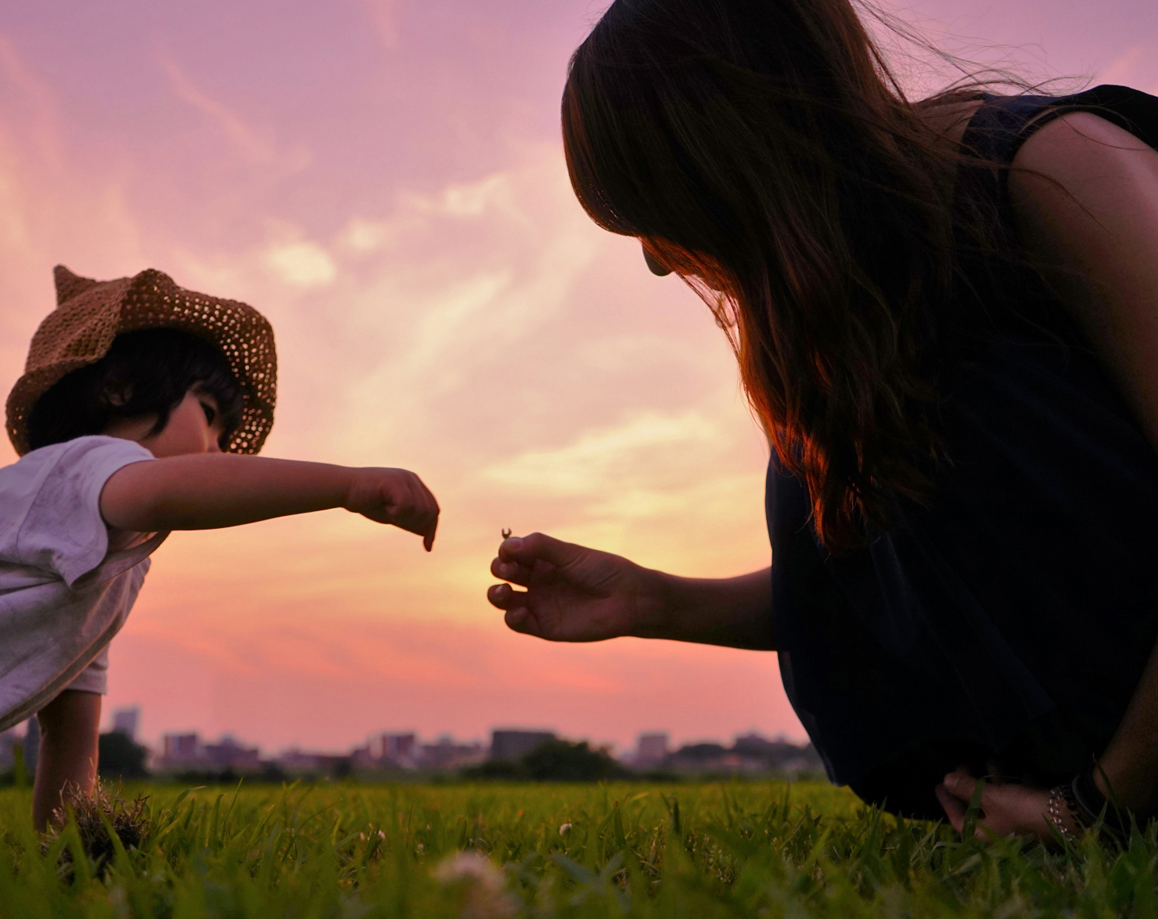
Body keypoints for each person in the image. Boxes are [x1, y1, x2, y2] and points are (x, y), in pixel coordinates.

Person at [488, 0, 1158, 844]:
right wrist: (656, 600)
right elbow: (892, 583)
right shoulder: (850, 321)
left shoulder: (1054, 167)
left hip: (1118, 790)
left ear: (737, 154)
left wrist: (1099, 806)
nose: (659, 261)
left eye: (660, 211)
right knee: (824, 455)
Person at [0, 265, 440, 858]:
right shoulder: (87, 465)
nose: (219, 449)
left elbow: (68, 734)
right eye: (207, 414)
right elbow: (172, 489)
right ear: (118, 392)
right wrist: (347, 485)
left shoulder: (100, 568)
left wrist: (71, 847)